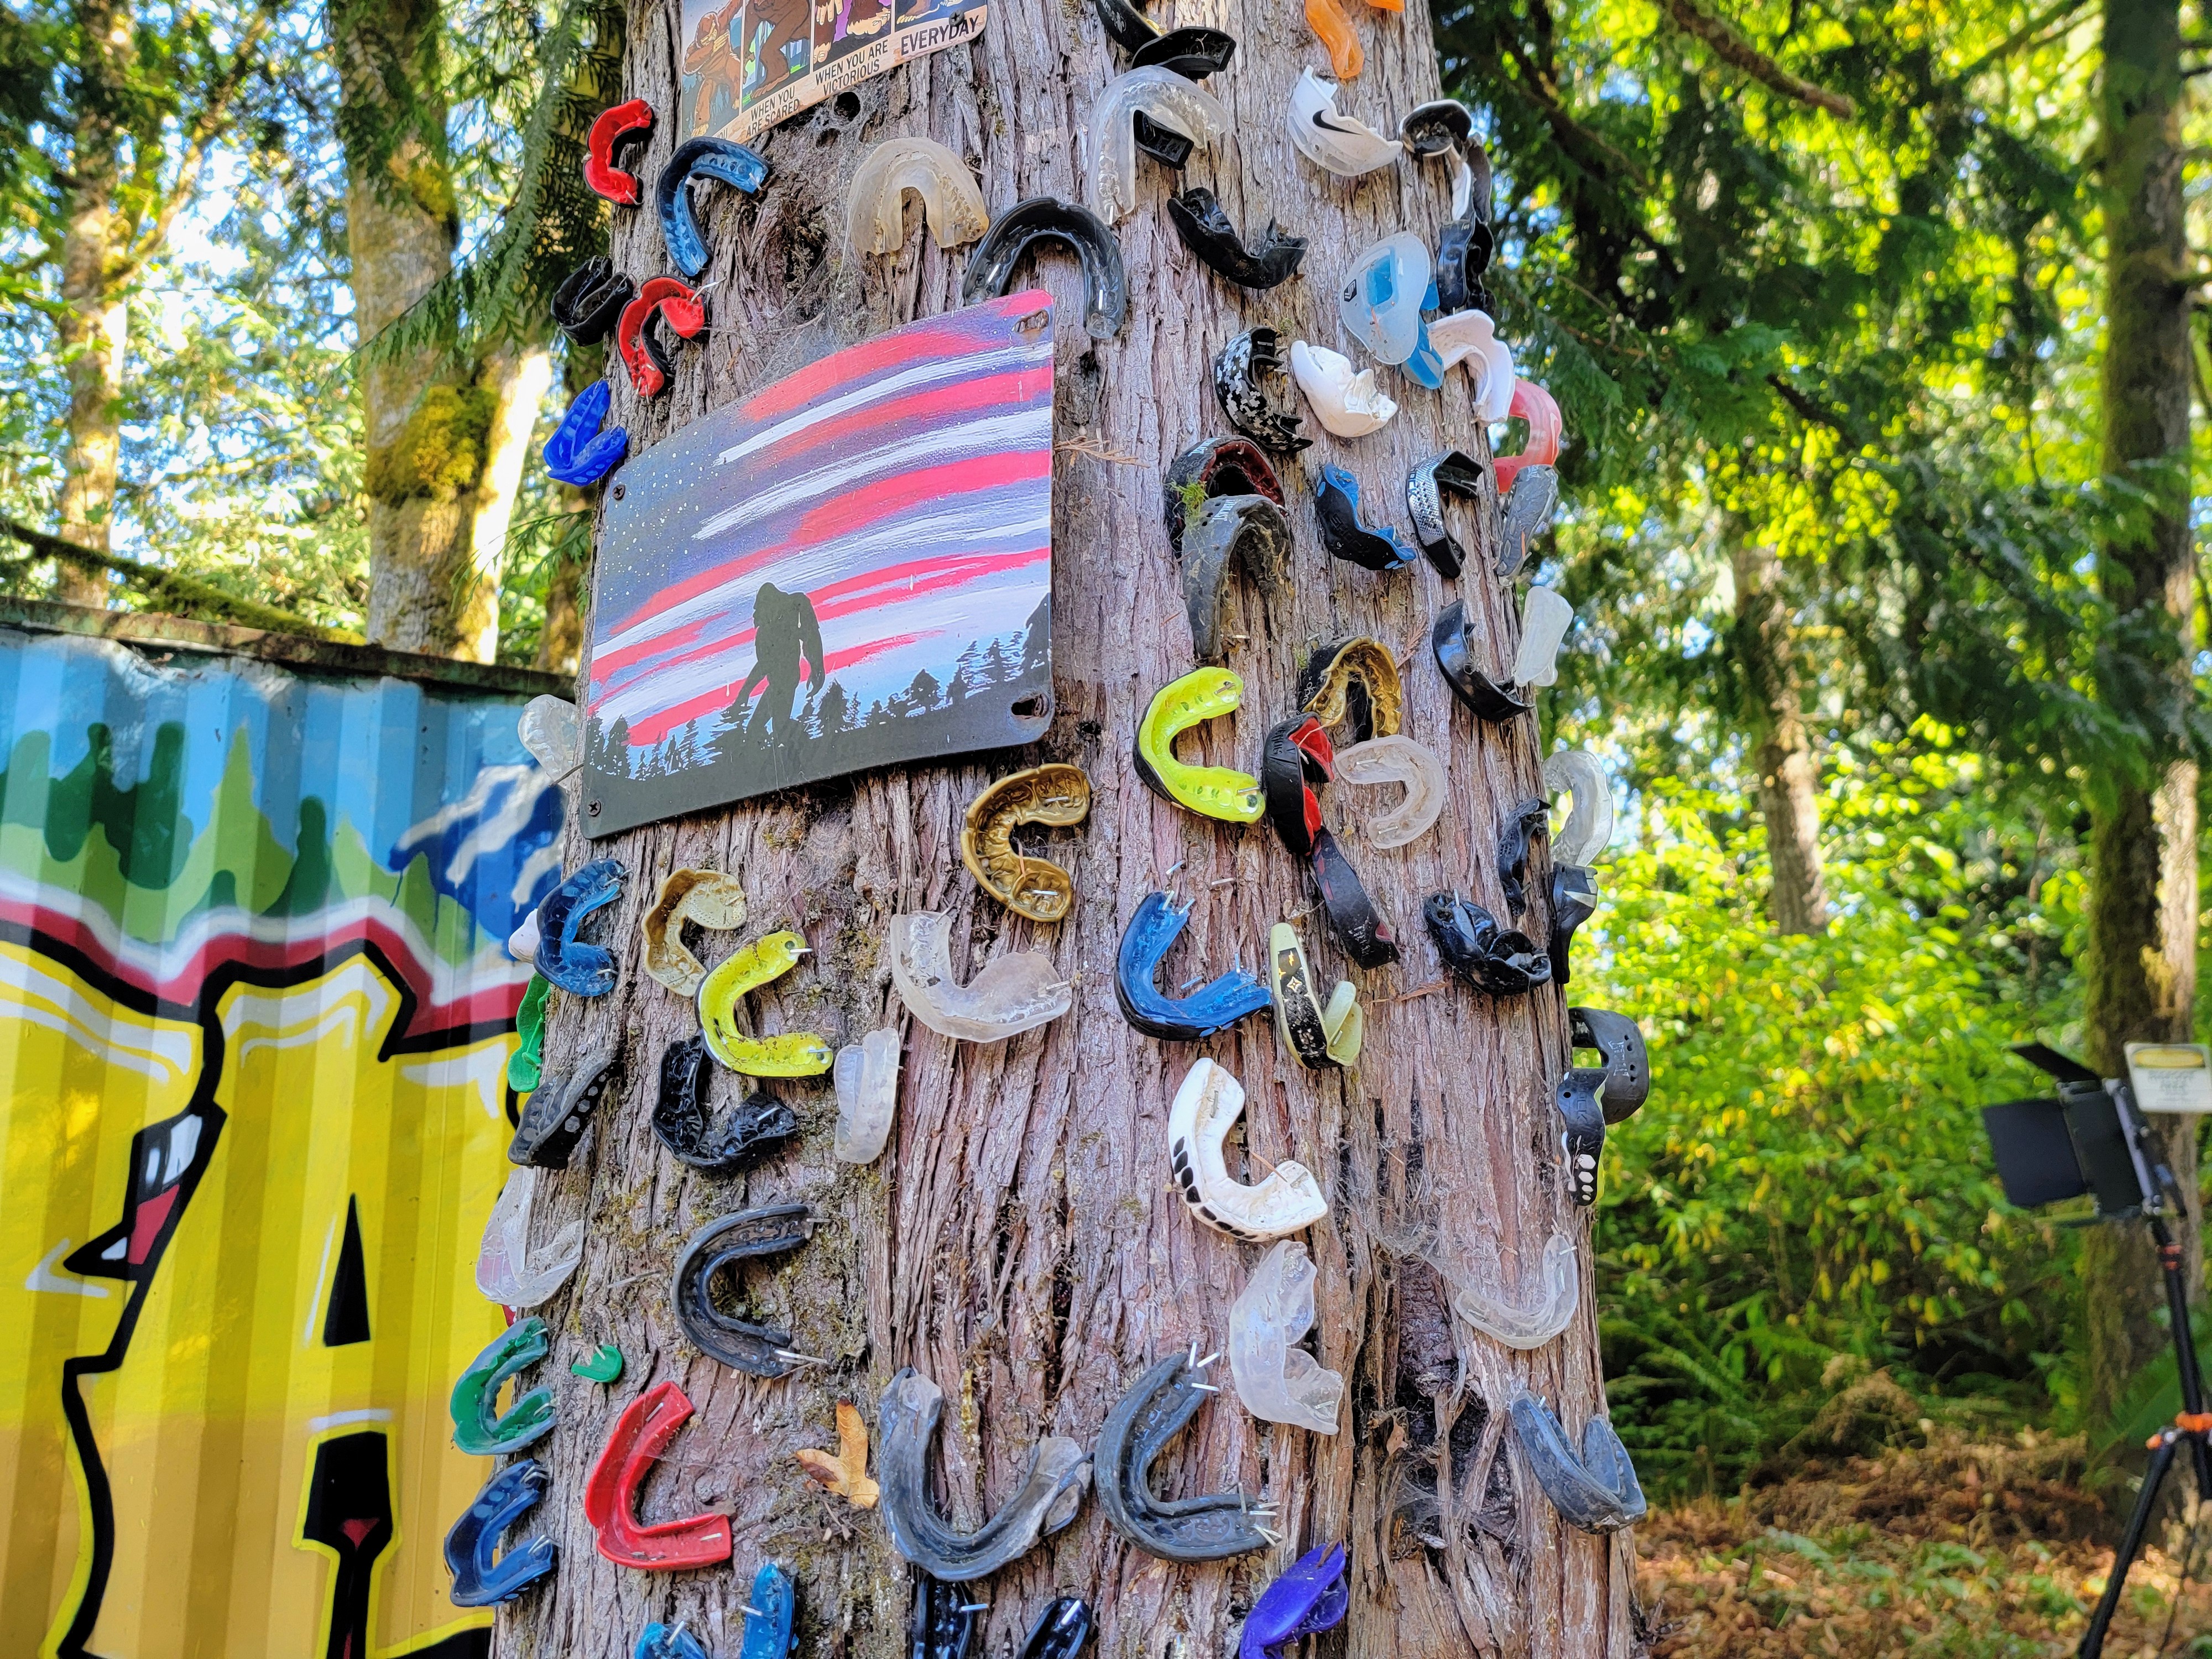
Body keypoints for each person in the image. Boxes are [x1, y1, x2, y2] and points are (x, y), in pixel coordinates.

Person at [737, 583, 825, 747]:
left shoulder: (795, 608)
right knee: (768, 731)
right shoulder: (765, 633)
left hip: (785, 683)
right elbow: (765, 664)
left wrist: (817, 667)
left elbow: (810, 635)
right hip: (778, 685)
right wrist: (744, 693)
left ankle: (800, 747)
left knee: (775, 731)